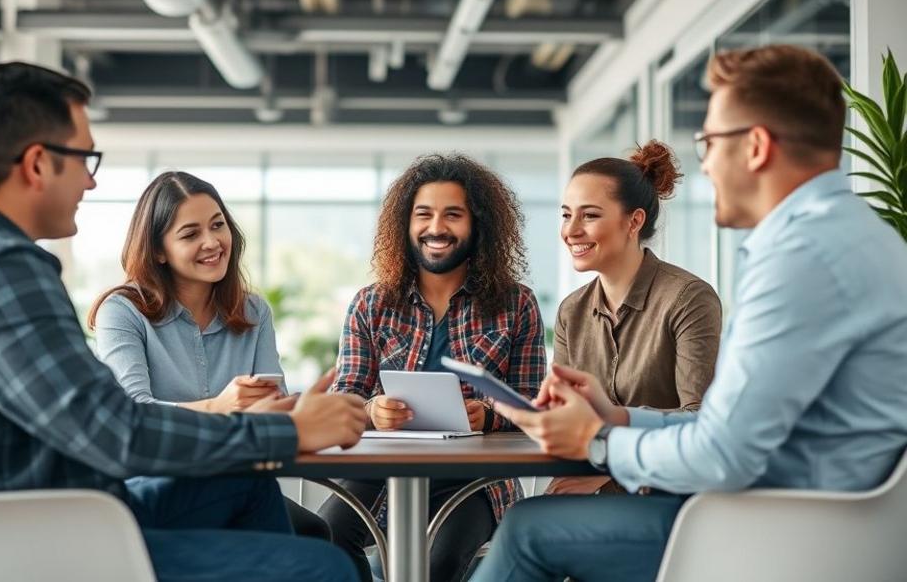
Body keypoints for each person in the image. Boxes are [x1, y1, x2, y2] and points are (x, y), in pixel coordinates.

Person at [470, 44, 907, 582]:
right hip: (817, 514)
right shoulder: (854, 236)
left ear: (755, 147)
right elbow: (732, 427)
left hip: (790, 528)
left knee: (525, 531)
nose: (703, 163)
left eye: (709, 142)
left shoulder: (801, 256)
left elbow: (723, 454)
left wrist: (596, 443)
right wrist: (619, 417)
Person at [0, 62, 365, 582]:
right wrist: (283, 431)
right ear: (38, 164)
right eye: (85, 158)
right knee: (325, 566)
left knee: (249, 483)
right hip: (49, 538)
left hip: (52, 513)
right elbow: (116, 430)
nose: (90, 179)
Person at [320, 154, 547, 582]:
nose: (437, 228)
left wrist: (491, 417)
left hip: (474, 482)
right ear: (406, 225)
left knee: (437, 565)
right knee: (326, 536)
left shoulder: (517, 304)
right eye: (423, 214)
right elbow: (346, 392)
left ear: (477, 225)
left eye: (453, 215)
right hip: (381, 472)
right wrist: (371, 410)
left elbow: (533, 405)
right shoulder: (371, 304)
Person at [89, 170, 331, 541]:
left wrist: (298, 409)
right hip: (154, 486)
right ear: (158, 250)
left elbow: (273, 403)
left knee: (318, 533)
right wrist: (218, 407)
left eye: (218, 225)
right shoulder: (122, 311)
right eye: (190, 234)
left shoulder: (254, 311)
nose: (213, 242)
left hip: (238, 476)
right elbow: (132, 411)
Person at [548, 140, 720, 495]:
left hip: (666, 495)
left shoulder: (688, 298)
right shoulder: (572, 311)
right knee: (523, 520)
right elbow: (570, 417)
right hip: (588, 484)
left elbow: (702, 421)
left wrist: (613, 469)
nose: (571, 230)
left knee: (524, 529)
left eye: (590, 215)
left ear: (634, 221)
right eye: (567, 214)